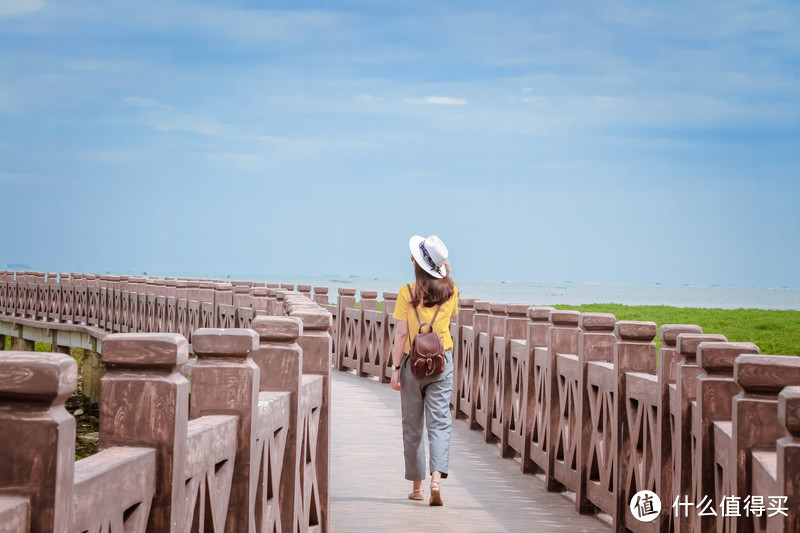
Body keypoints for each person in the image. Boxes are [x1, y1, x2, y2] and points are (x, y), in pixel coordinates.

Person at [390, 234, 459, 506]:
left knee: (412, 424)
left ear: (416, 263)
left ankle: (417, 488)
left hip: (412, 363)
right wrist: (447, 274)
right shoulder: (451, 291)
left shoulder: (407, 292)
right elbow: (452, 317)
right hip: (442, 363)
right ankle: (436, 480)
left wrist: (396, 368)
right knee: (440, 422)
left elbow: (400, 334)